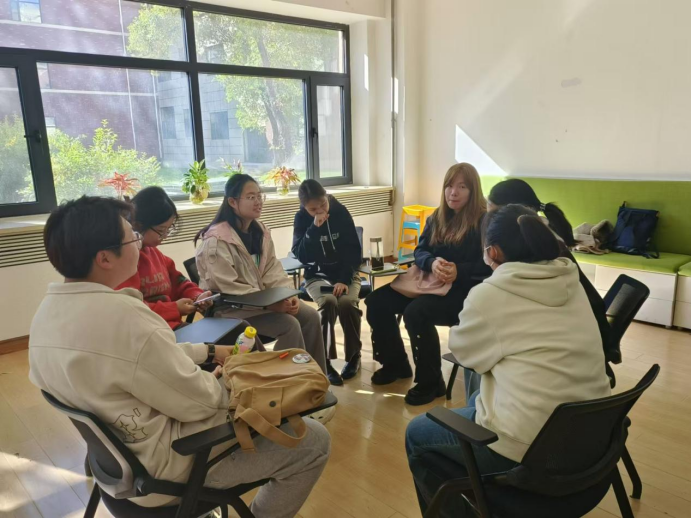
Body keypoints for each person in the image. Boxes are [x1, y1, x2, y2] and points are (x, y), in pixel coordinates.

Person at [29, 196, 331, 517]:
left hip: (119, 466)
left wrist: (209, 351)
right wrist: (226, 379)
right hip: (166, 470)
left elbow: (145, 358)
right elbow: (201, 403)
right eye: (132, 237)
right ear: (104, 258)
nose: (139, 244)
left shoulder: (46, 316)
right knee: (313, 441)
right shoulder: (124, 317)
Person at [405, 204, 612, 518]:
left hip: (528, 454)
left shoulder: (492, 293)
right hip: (592, 439)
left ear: (492, 252)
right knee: (479, 394)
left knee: (416, 432)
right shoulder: (569, 278)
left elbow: (464, 354)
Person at [365, 163, 491, 406]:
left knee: (416, 313)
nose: (453, 192)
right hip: (428, 282)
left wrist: (459, 271)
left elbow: (488, 264)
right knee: (376, 302)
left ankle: (432, 382)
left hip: (463, 291)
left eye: (462, 187)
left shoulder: (483, 221)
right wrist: (432, 263)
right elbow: (420, 251)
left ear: (473, 190)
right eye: (449, 186)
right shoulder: (437, 216)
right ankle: (396, 364)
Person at [195, 174, 327, 374]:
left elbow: (273, 269)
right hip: (230, 309)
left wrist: (287, 295)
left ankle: (317, 378)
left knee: (310, 316)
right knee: (289, 324)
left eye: (259, 196)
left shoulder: (260, 232)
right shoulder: (216, 240)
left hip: (260, 302)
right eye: (251, 197)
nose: (258, 201)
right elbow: (229, 288)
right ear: (232, 202)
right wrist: (269, 305)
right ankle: (284, 381)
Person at [486, 179, 612, 378]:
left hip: (564, 352)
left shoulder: (536, 247)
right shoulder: (543, 236)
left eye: (492, 210)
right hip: (583, 343)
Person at [292, 179, 363, 386]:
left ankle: (354, 356)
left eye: (323, 204)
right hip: (317, 275)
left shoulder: (340, 211)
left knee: (347, 303)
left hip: (345, 274)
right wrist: (313, 229)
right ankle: (324, 359)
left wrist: (343, 279)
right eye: (313, 209)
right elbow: (300, 254)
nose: (320, 211)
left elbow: (354, 251)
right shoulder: (302, 218)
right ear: (304, 207)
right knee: (329, 302)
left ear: (327, 197)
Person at [117, 186, 213, 329]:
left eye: (169, 229)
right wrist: (174, 308)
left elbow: (179, 282)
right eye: (161, 230)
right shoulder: (126, 262)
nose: (165, 236)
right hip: (150, 331)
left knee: (237, 330)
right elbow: (133, 310)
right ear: (137, 225)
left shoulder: (155, 254)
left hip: (172, 327)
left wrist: (197, 296)